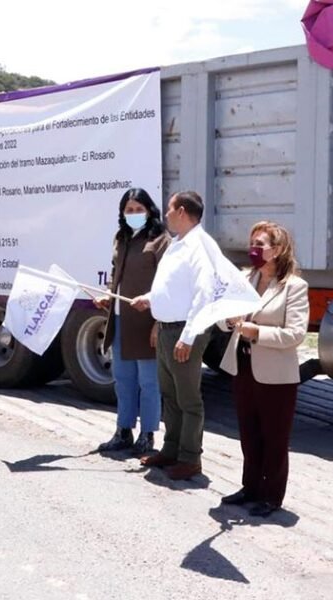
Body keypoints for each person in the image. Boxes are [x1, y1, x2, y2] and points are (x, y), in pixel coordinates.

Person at [216, 221, 308, 517]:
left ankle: (271, 496)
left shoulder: (294, 286)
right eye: (252, 243)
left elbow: (295, 334)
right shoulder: (245, 278)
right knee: (249, 432)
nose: (253, 250)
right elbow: (223, 317)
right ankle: (250, 487)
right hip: (243, 366)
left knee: (274, 437)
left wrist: (256, 332)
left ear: (277, 250)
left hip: (276, 374)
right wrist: (229, 320)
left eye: (260, 245)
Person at [131, 191, 215, 481]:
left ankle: (190, 458)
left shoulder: (199, 246)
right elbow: (171, 288)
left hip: (184, 331)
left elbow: (204, 294)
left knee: (188, 399)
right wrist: (149, 299)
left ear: (181, 211)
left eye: (169, 209)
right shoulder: (177, 244)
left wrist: (188, 337)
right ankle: (171, 450)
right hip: (168, 329)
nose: (165, 214)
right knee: (170, 395)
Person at [94, 188, 170, 455]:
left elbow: (167, 284)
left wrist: (158, 322)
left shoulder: (160, 240)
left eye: (139, 209)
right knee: (123, 380)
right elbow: (116, 273)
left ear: (149, 211)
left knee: (149, 383)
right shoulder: (121, 237)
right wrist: (107, 296)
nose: (134, 214)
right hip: (120, 320)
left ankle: (147, 435)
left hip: (146, 321)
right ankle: (123, 431)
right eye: (129, 210)